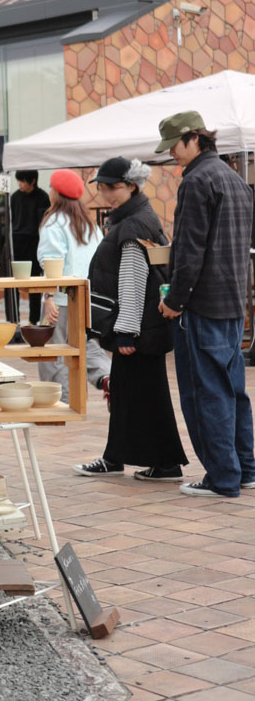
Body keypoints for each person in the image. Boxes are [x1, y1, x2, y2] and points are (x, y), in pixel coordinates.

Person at [157, 111, 255, 497]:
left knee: (206, 393)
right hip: (233, 301)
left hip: (201, 304)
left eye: (173, 147)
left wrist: (174, 301)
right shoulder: (234, 177)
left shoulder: (197, 180)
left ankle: (223, 478)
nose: (171, 155)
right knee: (233, 390)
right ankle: (244, 470)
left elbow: (191, 251)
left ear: (192, 138)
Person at [74, 158, 187, 481]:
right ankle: (118, 458)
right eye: (102, 186)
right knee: (129, 394)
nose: (107, 193)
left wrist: (126, 332)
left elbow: (134, 280)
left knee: (147, 396)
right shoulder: (135, 219)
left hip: (137, 329)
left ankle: (165, 464)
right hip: (145, 326)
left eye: (113, 187)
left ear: (132, 186)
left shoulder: (133, 224)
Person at [35, 169, 110, 403]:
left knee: (54, 350)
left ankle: (61, 402)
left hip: (61, 297)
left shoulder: (54, 222)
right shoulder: (89, 224)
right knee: (84, 343)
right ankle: (109, 377)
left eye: (51, 188)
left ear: (57, 193)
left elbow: (51, 261)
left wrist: (48, 295)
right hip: (87, 296)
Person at [10, 169, 51, 325]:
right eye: (18, 181)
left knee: (34, 284)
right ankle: (13, 319)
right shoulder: (14, 197)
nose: (20, 184)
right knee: (14, 283)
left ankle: (33, 320)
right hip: (17, 242)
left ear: (32, 181)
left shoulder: (43, 198)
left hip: (35, 243)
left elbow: (43, 224)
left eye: (23, 181)